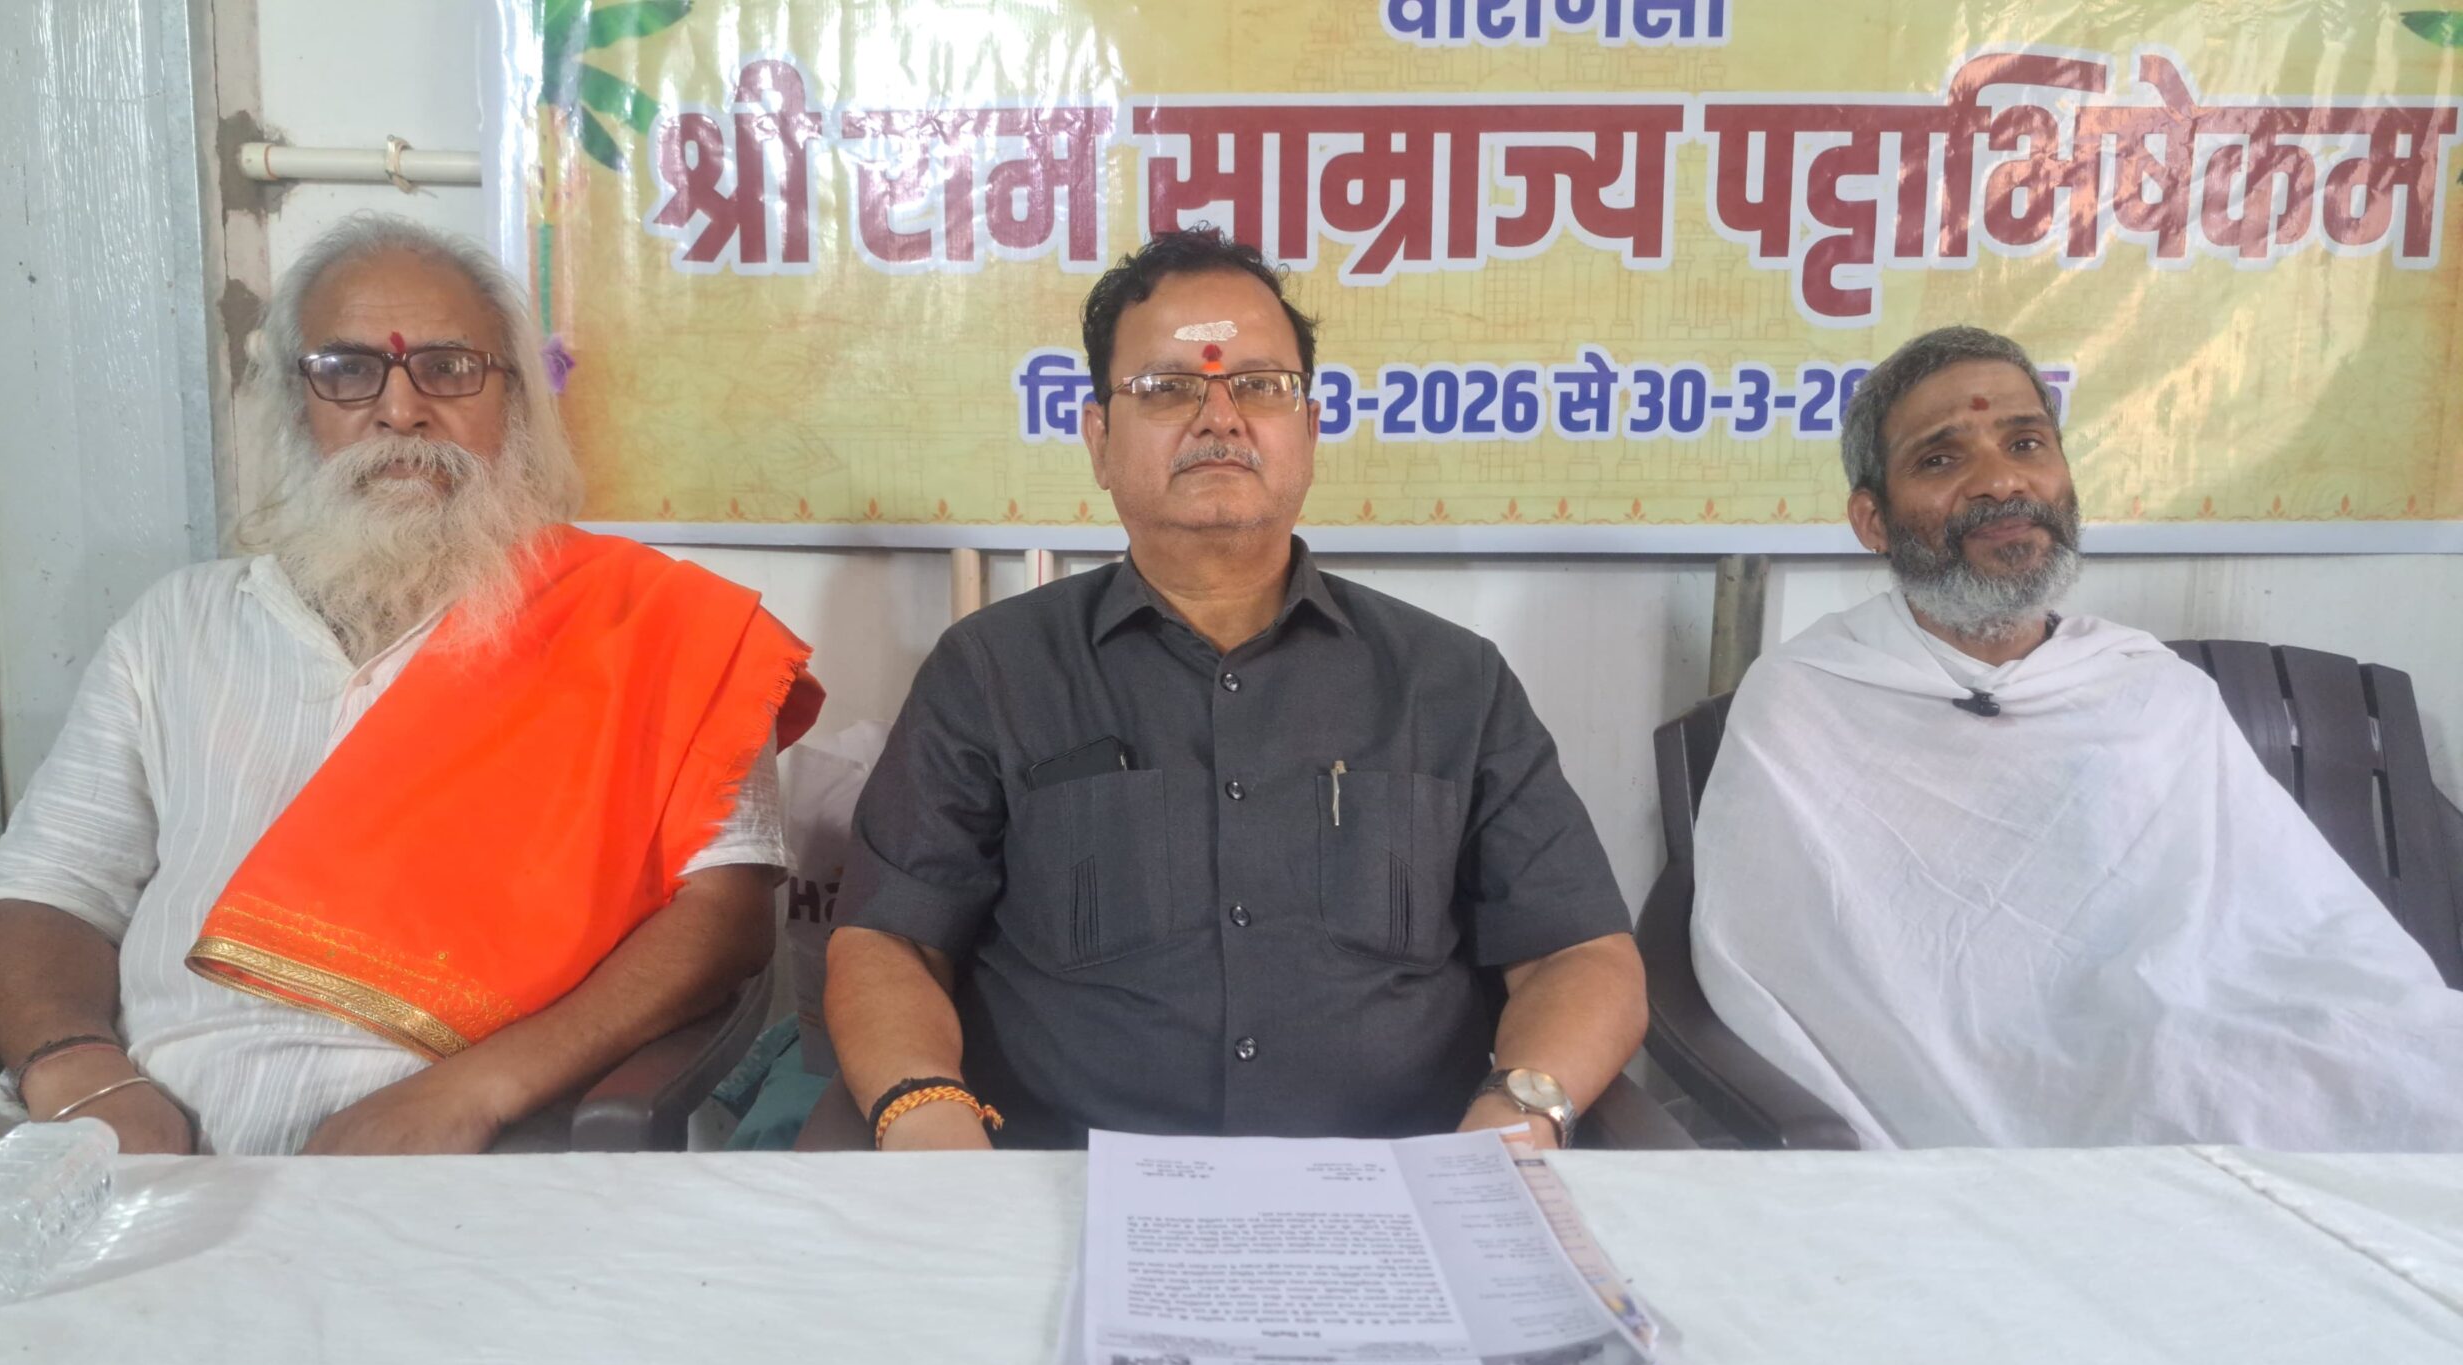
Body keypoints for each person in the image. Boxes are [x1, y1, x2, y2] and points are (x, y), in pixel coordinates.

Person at [0, 213, 822, 1156]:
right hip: (124, 1124)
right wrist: (82, 1074)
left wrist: (474, 1093)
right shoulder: (176, 626)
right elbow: (47, 896)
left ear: (515, 399)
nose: (400, 411)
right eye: (347, 370)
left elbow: (723, 924)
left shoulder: (652, 629)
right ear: (297, 403)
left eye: (449, 368)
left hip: (469, 1145)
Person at [824, 227, 1644, 1151]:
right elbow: (890, 940)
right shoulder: (993, 672)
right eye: (1167, 388)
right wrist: (929, 1118)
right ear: (1099, 440)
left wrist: (1517, 1118)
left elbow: (1579, 952)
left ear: (1311, 430)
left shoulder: (1451, 682)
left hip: (1397, 1186)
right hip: (1063, 1187)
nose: (1220, 418)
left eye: (1259, 385)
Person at [1690, 324, 2463, 1150]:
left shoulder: (2152, 690)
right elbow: (1778, 973)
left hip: (2207, 1062)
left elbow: (2297, 925)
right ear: (1872, 520)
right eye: (1941, 460)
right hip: (1955, 1107)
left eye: (2026, 443)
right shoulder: (1806, 701)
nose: (2001, 482)